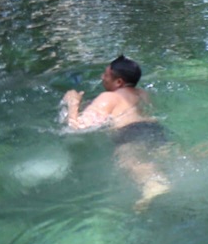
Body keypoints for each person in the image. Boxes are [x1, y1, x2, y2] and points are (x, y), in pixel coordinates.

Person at [61, 55, 171, 210]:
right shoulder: (142, 94)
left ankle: (154, 186)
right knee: (162, 157)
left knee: (129, 161)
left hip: (130, 131)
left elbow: (76, 127)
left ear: (119, 82)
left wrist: (73, 104)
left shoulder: (108, 97)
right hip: (155, 129)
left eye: (106, 75)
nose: (102, 77)